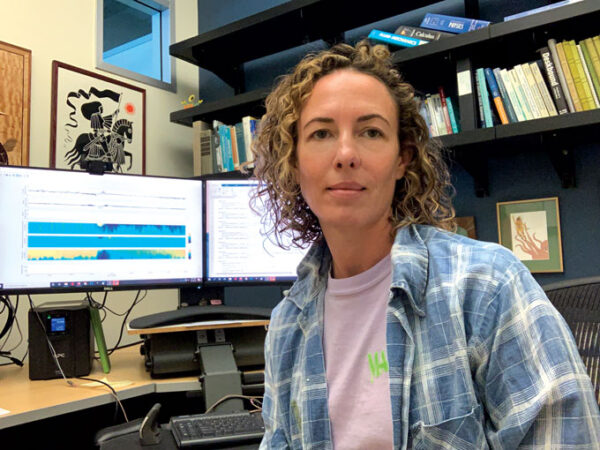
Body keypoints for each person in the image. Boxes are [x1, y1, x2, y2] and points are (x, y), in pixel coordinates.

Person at [251, 40, 600, 449]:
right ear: (294, 162)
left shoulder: (488, 287)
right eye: (322, 133)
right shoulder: (286, 325)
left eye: (371, 132)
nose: (345, 154)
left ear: (403, 158)